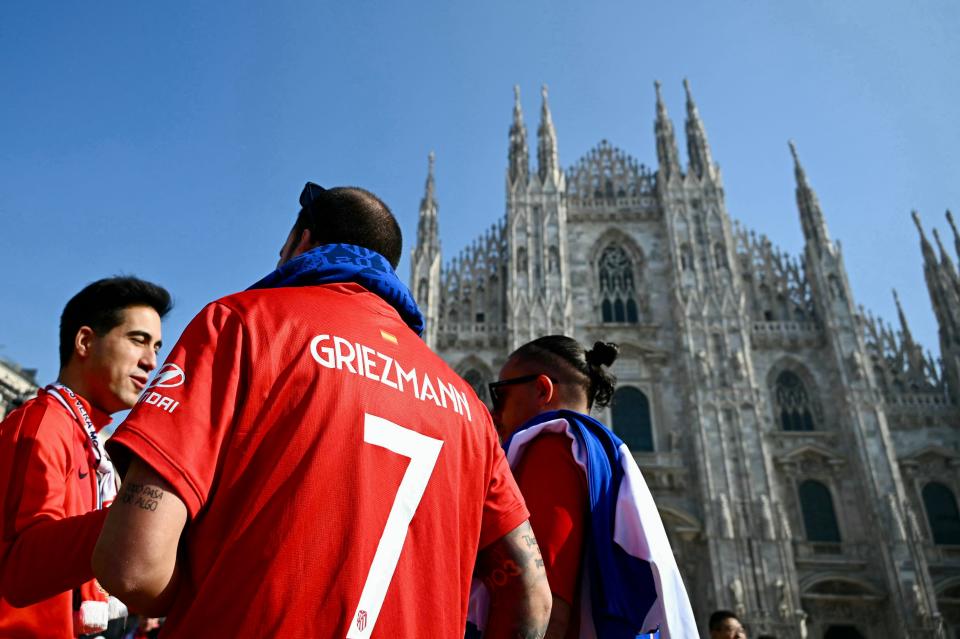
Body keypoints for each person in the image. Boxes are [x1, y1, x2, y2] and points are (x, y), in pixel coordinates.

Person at [93, 183, 552, 638]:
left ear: (303, 242)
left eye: (281, 250)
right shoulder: (468, 407)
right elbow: (532, 594)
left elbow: (133, 569)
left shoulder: (243, 323)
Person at [485, 335, 697, 639]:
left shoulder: (553, 446)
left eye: (499, 395)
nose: (493, 413)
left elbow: (542, 607)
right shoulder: (600, 454)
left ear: (542, 389)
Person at [0, 276, 171, 638]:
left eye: (157, 346)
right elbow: (20, 568)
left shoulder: (88, 437)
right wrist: (133, 520)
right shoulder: (43, 424)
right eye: (138, 340)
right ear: (85, 341)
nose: (151, 361)